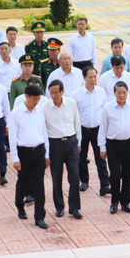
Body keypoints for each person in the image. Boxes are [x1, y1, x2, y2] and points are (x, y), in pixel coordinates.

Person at [99, 81, 130, 214]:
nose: (121, 95)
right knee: (114, 174)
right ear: (114, 93)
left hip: (128, 144)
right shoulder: (108, 108)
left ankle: (125, 202)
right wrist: (102, 147)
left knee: (127, 174)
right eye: (119, 92)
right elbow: (102, 129)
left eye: (124, 92)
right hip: (113, 145)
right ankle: (114, 201)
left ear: (127, 93)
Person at [9, 84, 49, 229]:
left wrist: (47, 154)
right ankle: (20, 205)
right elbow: (12, 137)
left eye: (38, 99)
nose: (36, 102)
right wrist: (15, 158)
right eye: (34, 99)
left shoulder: (40, 111)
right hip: (23, 152)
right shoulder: (16, 113)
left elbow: (44, 132)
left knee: (39, 184)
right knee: (23, 181)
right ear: (26, 97)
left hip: (39, 151)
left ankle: (39, 216)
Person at [45, 79, 83, 219]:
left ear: (62, 91)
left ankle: (74, 208)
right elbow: (44, 129)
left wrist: (78, 142)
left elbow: (76, 122)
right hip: (54, 144)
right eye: (51, 93)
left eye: (57, 92)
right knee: (56, 177)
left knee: (74, 176)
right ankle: (59, 206)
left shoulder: (71, 103)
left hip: (71, 141)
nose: (54, 96)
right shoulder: (45, 107)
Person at [73, 67, 110, 197]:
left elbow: (105, 112)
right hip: (82, 129)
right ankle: (84, 181)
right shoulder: (77, 94)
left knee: (101, 156)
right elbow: (75, 115)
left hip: (98, 129)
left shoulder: (101, 92)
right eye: (90, 77)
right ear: (84, 78)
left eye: (95, 76)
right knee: (81, 157)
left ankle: (105, 184)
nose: (93, 79)